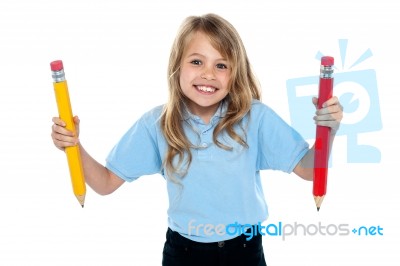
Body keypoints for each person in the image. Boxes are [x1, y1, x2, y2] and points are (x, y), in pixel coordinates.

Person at [51, 13, 343, 266]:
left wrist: (328, 130)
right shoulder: (157, 124)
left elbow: (307, 170)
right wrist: (74, 146)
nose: (208, 74)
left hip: (244, 250)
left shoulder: (255, 117)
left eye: (221, 65)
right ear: (177, 66)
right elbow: (103, 183)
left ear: (235, 74)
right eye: (196, 61)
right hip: (184, 253)